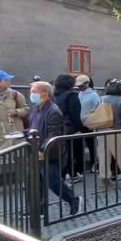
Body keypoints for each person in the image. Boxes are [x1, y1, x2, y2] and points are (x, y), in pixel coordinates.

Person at [27, 81, 80, 215]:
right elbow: (33, 129)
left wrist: (43, 150)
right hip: (37, 152)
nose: (31, 94)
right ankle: (39, 209)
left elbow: (53, 135)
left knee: (54, 182)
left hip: (50, 154)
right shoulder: (37, 110)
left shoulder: (53, 111)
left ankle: (74, 200)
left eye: (34, 92)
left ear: (45, 94)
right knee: (37, 183)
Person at [98, 79, 121, 185]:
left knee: (103, 155)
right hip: (117, 131)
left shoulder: (101, 99)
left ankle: (105, 178)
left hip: (102, 130)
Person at [54, 74, 86, 181]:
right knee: (72, 152)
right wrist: (80, 128)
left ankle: (62, 175)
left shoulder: (56, 95)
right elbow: (75, 115)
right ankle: (73, 174)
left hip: (60, 127)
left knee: (64, 152)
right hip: (71, 128)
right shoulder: (71, 95)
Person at [76, 75, 101, 173]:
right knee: (78, 145)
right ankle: (79, 168)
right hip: (79, 122)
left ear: (87, 83)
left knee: (92, 145)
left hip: (90, 123)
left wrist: (90, 116)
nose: (79, 87)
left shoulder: (94, 95)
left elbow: (97, 108)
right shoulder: (79, 94)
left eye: (81, 85)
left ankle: (94, 164)